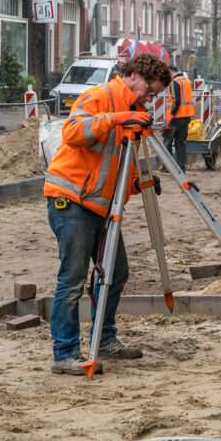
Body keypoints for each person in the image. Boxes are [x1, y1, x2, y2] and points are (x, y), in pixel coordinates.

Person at [43, 53, 172, 376]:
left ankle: (103, 338)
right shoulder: (101, 97)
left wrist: (139, 183)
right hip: (72, 200)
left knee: (116, 272)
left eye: (154, 95)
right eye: (149, 90)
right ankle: (65, 354)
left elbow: (114, 164)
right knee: (72, 279)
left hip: (101, 207)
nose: (149, 97)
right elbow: (73, 132)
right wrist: (116, 118)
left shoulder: (133, 111)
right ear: (135, 75)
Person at [163, 66, 194, 171]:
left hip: (175, 117)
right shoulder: (186, 81)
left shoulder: (174, 82)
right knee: (180, 144)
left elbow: (176, 101)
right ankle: (181, 168)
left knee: (167, 142)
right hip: (186, 117)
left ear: (171, 72)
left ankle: (167, 167)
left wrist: (170, 117)